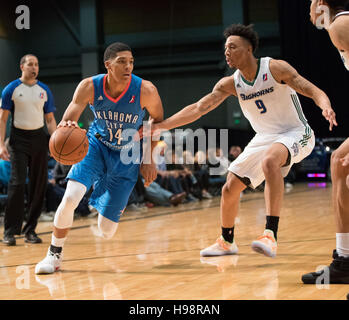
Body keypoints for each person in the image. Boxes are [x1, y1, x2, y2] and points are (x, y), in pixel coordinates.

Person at [140, 24, 337, 258]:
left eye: (232, 47)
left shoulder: (275, 68)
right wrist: (161, 126)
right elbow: (198, 108)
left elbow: (310, 88)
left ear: (249, 49)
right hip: (264, 138)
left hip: (296, 132)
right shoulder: (230, 83)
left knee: (270, 161)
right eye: (225, 48)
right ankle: (226, 241)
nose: (227, 51)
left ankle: (270, 234)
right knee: (230, 187)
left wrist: (325, 105)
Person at [35, 42, 163, 274]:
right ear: (108, 65)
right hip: (96, 145)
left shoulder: (146, 90)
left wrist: (149, 158)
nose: (128, 66)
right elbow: (69, 118)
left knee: (106, 230)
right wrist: (66, 128)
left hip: (127, 154)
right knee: (71, 197)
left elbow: (157, 122)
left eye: (131, 61)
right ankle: (53, 255)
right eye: (122, 61)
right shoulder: (89, 86)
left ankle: (103, 198)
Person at [302, 0, 349, 284]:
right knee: (339, 163)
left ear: (320, 3)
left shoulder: (339, 25)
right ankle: (344, 260)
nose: (309, 10)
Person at [0, 54, 57, 246]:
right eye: (30, 64)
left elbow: (49, 120)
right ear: (22, 67)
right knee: (16, 183)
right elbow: (2, 119)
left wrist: (56, 142)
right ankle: (9, 231)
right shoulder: (11, 89)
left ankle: (30, 230)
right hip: (18, 140)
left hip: (39, 139)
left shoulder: (44, 90)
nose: (34, 67)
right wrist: (1, 145)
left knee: (38, 184)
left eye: (37, 64)